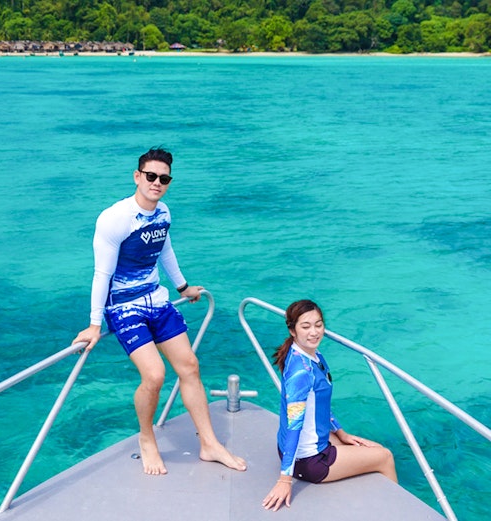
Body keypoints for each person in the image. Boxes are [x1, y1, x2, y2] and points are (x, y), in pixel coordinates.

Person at [72, 147, 246, 476]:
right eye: (150, 176)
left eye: (163, 178)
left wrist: (182, 288)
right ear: (137, 176)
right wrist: (95, 324)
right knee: (154, 375)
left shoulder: (163, 212)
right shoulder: (114, 219)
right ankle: (147, 437)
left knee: (190, 366)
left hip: (156, 299)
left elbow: (165, 250)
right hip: (124, 307)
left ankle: (209, 443)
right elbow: (101, 275)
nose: (156, 182)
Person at [262, 299, 397, 512]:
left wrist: (341, 433)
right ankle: (395, 513)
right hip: (309, 460)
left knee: (371, 448)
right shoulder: (301, 372)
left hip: (305, 447)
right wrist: (284, 480)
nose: (314, 332)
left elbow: (320, 403)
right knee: (385, 456)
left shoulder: (308, 355)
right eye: (306, 326)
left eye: (318, 325)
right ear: (292, 330)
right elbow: (294, 425)